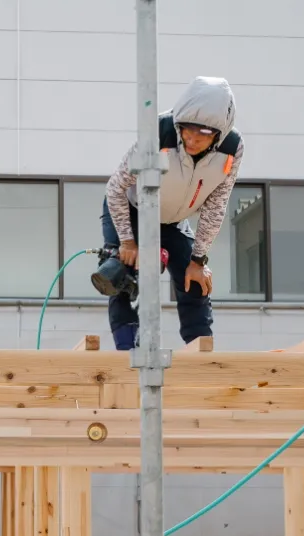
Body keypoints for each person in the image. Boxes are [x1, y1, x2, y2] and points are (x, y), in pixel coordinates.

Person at [100, 75, 244, 350]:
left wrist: (199, 259)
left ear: (219, 132)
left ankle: (200, 348)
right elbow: (116, 188)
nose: (190, 139)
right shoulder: (159, 133)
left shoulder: (231, 149)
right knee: (120, 273)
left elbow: (216, 205)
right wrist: (128, 242)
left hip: (174, 220)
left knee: (195, 279)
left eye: (202, 134)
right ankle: (128, 346)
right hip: (131, 208)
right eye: (186, 130)